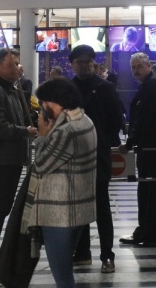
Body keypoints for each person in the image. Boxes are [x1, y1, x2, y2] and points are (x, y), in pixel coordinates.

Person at [23, 78, 98, 287]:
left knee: (63, 277)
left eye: (45, 103)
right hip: (79, 207)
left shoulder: (66, 131)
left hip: (60, 213)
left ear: (57, 103)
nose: (43, 109)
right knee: (65, 273)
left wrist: (42, 136)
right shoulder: (85, 121)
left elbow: (40, 165)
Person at [0, 47, 37, 276]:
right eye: (11, 64)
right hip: (4, 157)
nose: (16, 68)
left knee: (4, 207)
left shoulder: (12, 90)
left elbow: (20, 116)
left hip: (13, 157)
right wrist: (25, 131)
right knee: (1, 208)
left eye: (17, 64)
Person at [68, 45, 122, 273]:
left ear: (94, 63)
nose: (84, 65)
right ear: (73, 64)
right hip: (74, 156)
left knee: (102, 207)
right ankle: (81, 253)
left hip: (98, 155)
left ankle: (107, 255)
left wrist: (101, 140)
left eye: (87, 61)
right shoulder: (67, 89)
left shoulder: (106, 88)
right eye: (79, 61)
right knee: (78, 206)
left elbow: (116, 119)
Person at [118, 52, 156, 247]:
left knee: (150, 191)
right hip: (150, 147)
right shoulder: (150, 85)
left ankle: (150, 233)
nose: (136, 71)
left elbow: (145, 118)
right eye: (133, 67)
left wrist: (130, 142)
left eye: (139, 66)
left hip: (153, 149)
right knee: (150, 191)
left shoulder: (152, 86)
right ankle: (152, 232)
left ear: (148, 66)